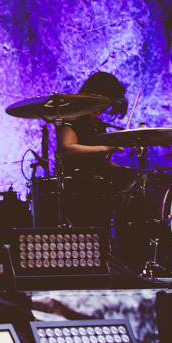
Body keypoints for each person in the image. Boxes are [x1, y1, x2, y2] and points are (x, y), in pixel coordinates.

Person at [53, 71, 131, 228]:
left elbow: (99, 161)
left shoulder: (98, 124)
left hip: (99, 181)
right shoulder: (72, 117)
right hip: (78, 184)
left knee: (131, 178)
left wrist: (119, 168)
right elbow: (67, 149)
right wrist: (108, 148)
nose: (103, 110)